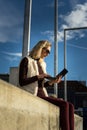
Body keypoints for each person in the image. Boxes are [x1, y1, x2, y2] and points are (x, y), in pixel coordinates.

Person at [18, 40, 74, 130]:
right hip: (33, 95)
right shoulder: (26, 60)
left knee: (70, 105)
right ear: (40, 48)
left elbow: (42, 85)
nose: (48, 54)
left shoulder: (42, 64)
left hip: (43, 94)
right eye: (47, 51)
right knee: (64, 105)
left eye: (49, 52)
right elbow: (21, 82)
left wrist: (52, 82)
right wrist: (39, 76)